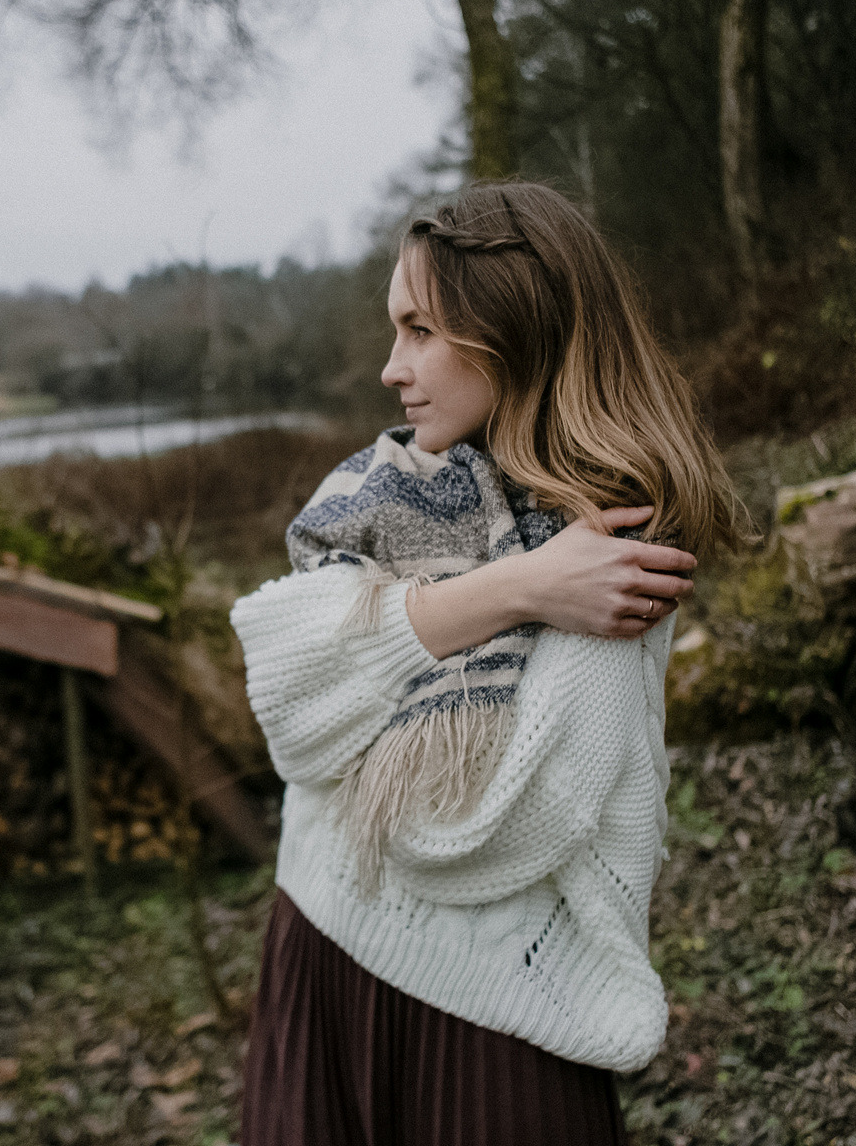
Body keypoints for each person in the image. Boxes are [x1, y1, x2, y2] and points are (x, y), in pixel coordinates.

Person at [230, 181, 748, 1145]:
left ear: (516, 326)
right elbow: (291, 713)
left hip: (489, 1003)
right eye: (397, 331)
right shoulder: (385, 490)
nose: (392, 369)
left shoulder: (614, 535)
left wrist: (379, 675)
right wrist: (518, 591)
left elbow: (492, 829)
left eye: (421, 330)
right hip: (319, 945)